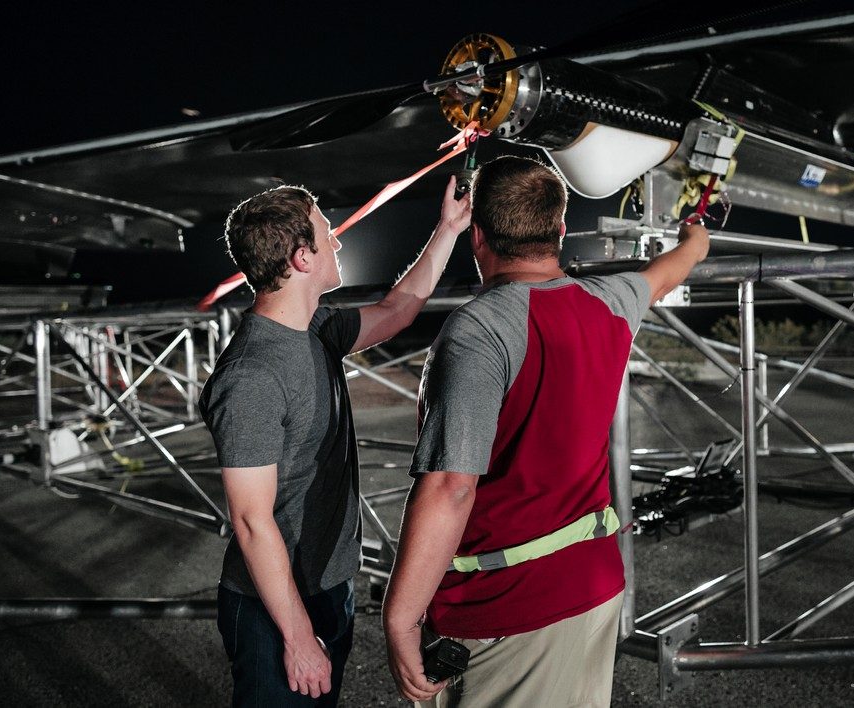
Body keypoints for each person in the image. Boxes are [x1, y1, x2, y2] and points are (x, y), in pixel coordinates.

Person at [383, 156, 710, 706]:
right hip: (592, 587)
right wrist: (695, 235)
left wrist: (400, 617)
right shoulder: (611, 301)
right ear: (559, 229)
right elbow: (673, 267)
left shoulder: (478, 329)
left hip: (511, 608)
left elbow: (452, 486)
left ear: (478, 235)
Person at [201, 177, 470, 706]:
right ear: (302, 258)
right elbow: (253, 522)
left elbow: (398, 311)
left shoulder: (316, 329)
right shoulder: (252, 376)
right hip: (274, 609)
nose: (338, 243)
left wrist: (449, 229)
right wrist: (298, 638)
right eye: (328, 233)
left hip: (327, 585)